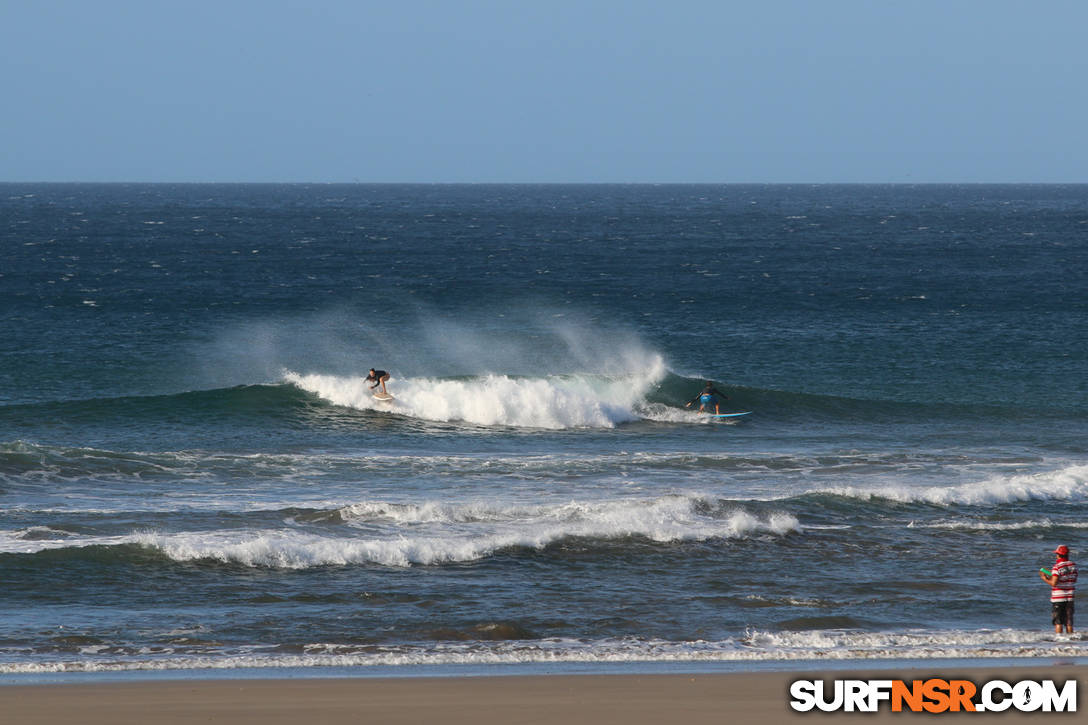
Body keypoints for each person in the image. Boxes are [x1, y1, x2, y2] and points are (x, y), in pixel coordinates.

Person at [1040, 544, 1077, 634]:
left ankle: (1059, 641)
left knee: (1058, 622)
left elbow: (1054, 583)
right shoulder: (1073, 565)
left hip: (1059, 597)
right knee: (1069, 622)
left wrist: (1044, 578)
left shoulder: (1057, 567)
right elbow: (1073, 579)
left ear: (1059, 555)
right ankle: (1070, 640)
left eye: (1057, 554)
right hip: (1070, 597)